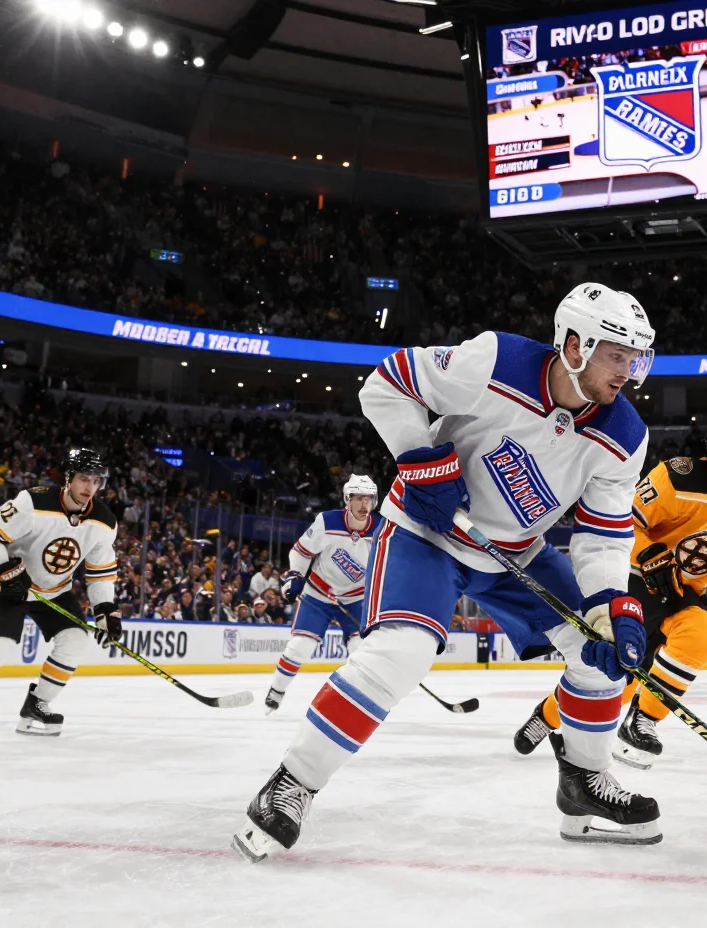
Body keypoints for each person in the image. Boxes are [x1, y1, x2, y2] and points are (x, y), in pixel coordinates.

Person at [232, 282, 660, 863]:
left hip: (516, 552)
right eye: (618, 354)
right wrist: (419, 457)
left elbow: (602, 534)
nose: (630, 371)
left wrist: (611, 602)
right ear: (576, 345)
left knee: (597, 648)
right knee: (401, 652)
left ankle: (583, 784)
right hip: (425, 531)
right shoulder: (497, 360)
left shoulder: (626, 435)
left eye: (638, 357)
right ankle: (291, 784)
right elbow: (385, 384)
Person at [513, 419, 707, 770]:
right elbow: (622, 520)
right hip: (634, 582)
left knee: (702, 634)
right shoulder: (676, 476)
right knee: (612, 679)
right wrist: (647, 554)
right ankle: (548, 715)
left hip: (682, 593)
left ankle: (642, 720)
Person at [0, 449, 123, 738]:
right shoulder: (32, 502)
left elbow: (101, 572)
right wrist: (8, 568)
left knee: (75, 640)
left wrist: (105, 609)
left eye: (96, 482)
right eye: (84, 479)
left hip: (54, 591)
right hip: (7, 585)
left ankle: (36, 706)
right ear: (69, 478)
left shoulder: (105, 521)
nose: (90, 488)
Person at [264, 474, 386, 713]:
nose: (364, 505)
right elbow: (301, 552)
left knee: (359, 651)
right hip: (319, 593)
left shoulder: (381, 530)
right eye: (359, 499)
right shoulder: (327, 522)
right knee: (300, 645)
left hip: (356, 598)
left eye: (369, 499)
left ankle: (356, 702)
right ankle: (276, 691)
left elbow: (387, 568)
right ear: (347, 500)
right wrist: (296, 575)